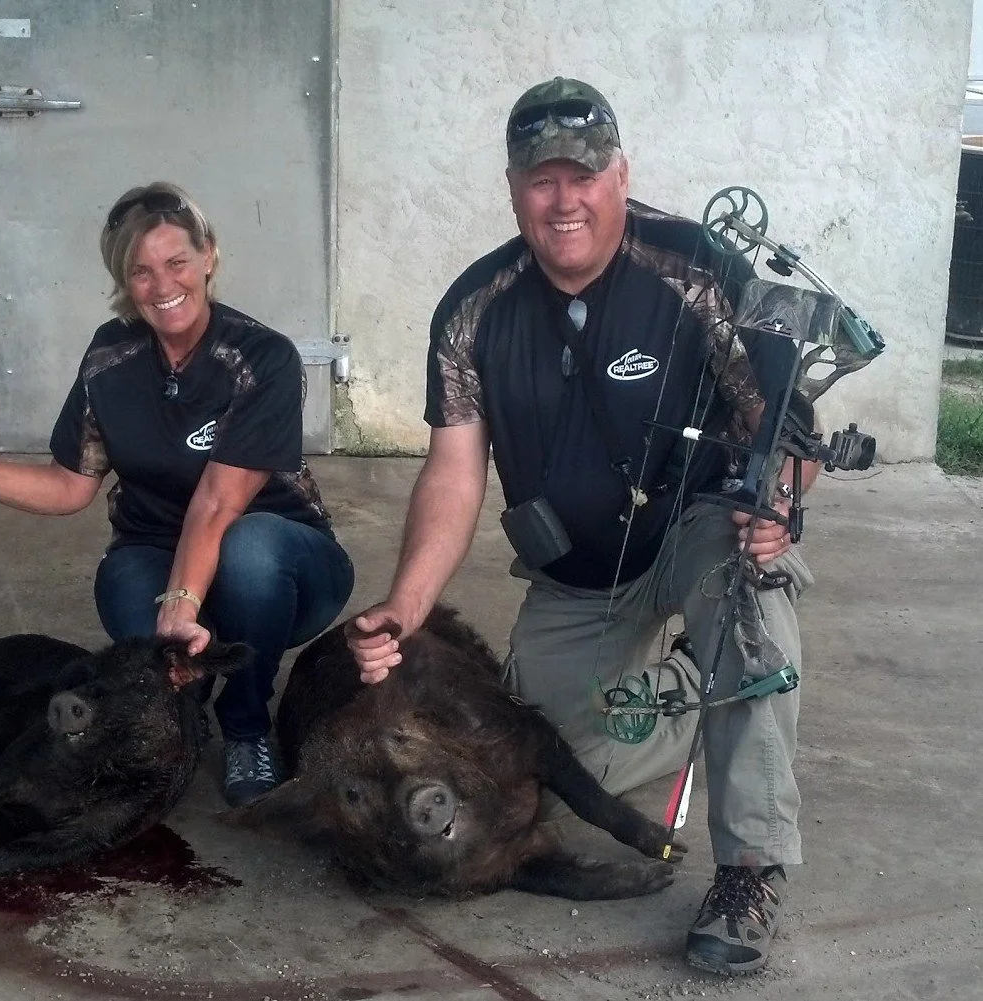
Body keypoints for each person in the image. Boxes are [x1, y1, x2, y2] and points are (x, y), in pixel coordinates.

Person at [346, 78, 819, 976]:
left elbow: (787, 426)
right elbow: (453, 470)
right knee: (560, 778)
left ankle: (750, 868)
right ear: (515, 187)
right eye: (541, 179)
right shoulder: (474, 309)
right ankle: (699, 694)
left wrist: (779, 503)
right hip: (575, 568)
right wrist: (403, 609)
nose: (564, 200)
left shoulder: (695, 266)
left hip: (701, 529)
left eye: (583, 175)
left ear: (620, 174)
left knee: (746, 602)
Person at [0, 181, 355, 808]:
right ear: (123, 279)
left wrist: (180, 604)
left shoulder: (262, 358)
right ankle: (182, 714)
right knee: (120, 586)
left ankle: (249, 723)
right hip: (154, 547)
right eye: (140, 271)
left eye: (177, 262)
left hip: (285, 566)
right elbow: (69, 486)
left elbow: (219, 504)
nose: (162, 284)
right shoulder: (109, 358)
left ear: (209, 257)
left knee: (249, 548)